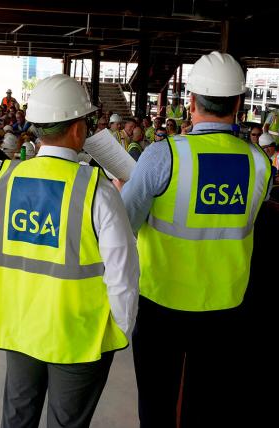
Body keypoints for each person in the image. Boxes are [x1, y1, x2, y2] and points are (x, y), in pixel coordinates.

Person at [0, 74, 139, 428]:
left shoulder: (2, 181)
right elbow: (123, 276)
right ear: (78, 129)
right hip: (78, 336)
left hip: (19, 327)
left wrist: (19, 299)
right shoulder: (98, 191)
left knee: (17, 417)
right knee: (67, 422)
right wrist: (117, 333)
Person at [120, 51, 272, 427]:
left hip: (163, 302)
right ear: (238, 103)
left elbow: (124, 224)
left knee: (157, 400)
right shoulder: (259, 162)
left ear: (190, 101)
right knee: (208, 402)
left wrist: (124, 191)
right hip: (228, 304)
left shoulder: (162, 156)